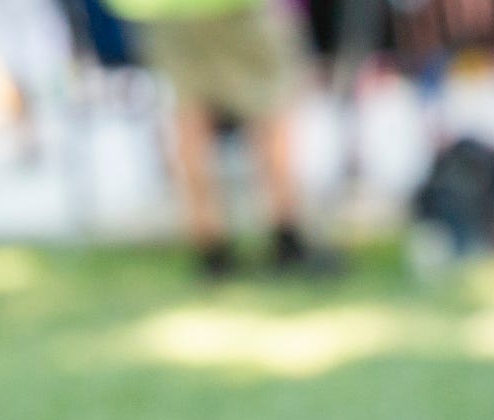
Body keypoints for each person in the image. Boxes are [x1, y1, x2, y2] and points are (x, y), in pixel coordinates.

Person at [101, 0, 337, 278]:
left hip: (165, 11)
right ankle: (286, 239)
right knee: (271, 109)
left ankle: (212, 251)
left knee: (188, 115)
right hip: (237, 10)